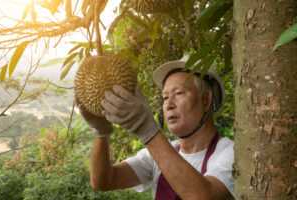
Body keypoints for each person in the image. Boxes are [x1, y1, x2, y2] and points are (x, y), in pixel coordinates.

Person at [76, 55, 235, 200]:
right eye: (165, 97)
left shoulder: (231, 153)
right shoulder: (155, 156)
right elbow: (104, 181)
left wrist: (147, 130)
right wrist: (101, 133)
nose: (169, 105)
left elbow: (203, 196)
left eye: (179, 93)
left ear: (206, 100)